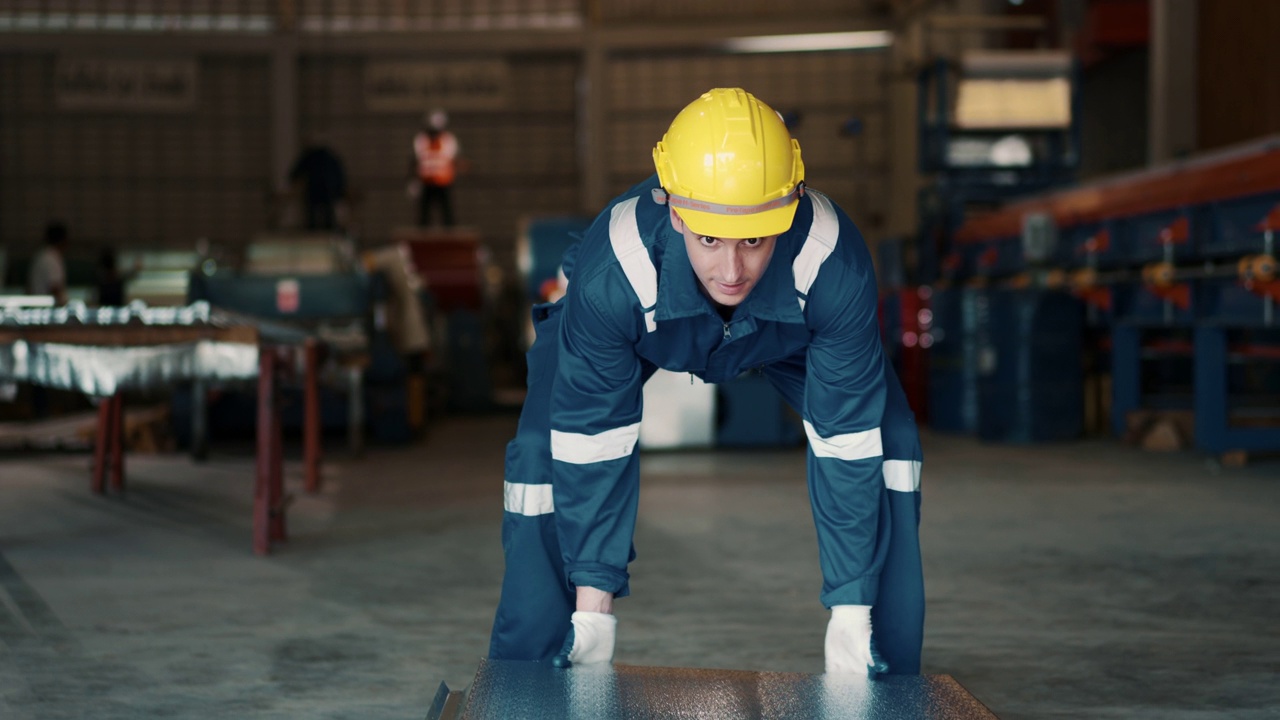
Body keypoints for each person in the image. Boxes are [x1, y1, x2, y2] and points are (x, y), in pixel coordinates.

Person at [488, 88, 925, 676]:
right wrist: (595, 608)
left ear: (790, 211)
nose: (731, 270)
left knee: (887, 442)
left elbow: (846, 442)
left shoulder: (833, 266)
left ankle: (875, 662)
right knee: (546, 452)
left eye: (754, 240)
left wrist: (849, 609)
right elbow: (594, 441)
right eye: (710, 239)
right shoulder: (613, 275)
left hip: (785, 330)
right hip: (642, 325)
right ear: (673, 212)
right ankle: (534, 675)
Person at [409, 109, 461, 227]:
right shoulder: (421, 140)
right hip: (426, 181)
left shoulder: (448, 140)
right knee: (424, 213)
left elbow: (452, 160)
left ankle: (450, 236)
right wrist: (413, 180)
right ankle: (422, 237)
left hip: (444, 181)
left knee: (447, 211)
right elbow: (415, 161)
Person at [289, 136, 348, 232]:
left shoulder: (313, 157)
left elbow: (295, 173)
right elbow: (340, 176)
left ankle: (317, 231)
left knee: (318, 214)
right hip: (325, 190)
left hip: (319, 190)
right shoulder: (326, 157)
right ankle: (323, 231)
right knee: (324, 214)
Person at [28, 222, 70, 306]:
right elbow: (55, 287)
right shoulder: (52, 259)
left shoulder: (41, 256)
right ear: (63, 241)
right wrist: (67, 305)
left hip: (36, 305)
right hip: (45, 308)